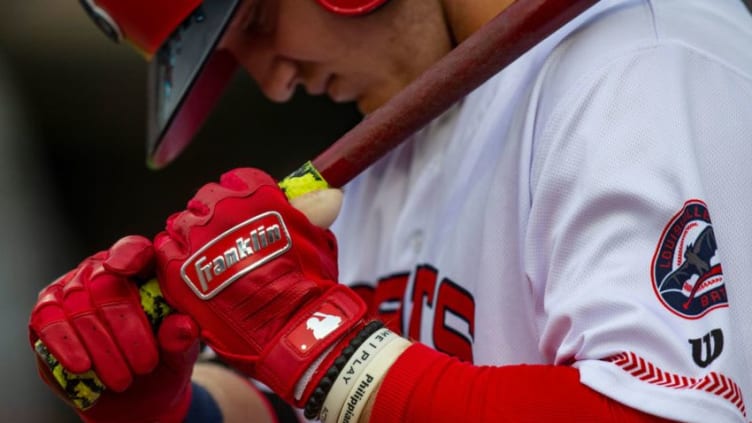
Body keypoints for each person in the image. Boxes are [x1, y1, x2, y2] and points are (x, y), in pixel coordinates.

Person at [28, 0, 752, 422]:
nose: (274, 82)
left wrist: (321, 346)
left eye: (258, 18)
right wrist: (175, 400)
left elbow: (664, 411)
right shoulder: (383, 147)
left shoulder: (644, 60)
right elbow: (290, 401)